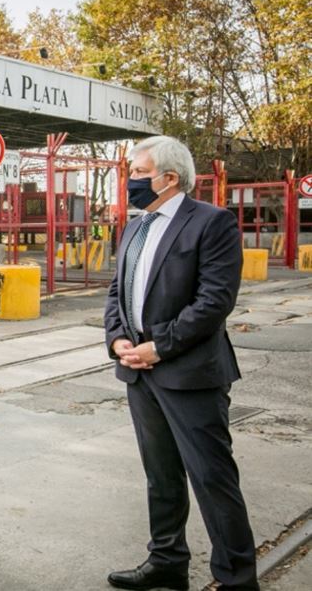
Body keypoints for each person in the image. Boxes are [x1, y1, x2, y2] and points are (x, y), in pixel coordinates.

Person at [104, 136, 258, 591]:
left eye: (137, 172)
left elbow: (214, 302)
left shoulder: (212, 223)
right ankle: (167, 561)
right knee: (161, 476)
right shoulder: (135, 226)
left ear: (168, 178)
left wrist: (158, 346)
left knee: (211, 478)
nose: (129, 180)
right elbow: (117, 292)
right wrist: (118, 341)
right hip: (139, 371)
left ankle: (237, 579)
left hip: (189, 374)